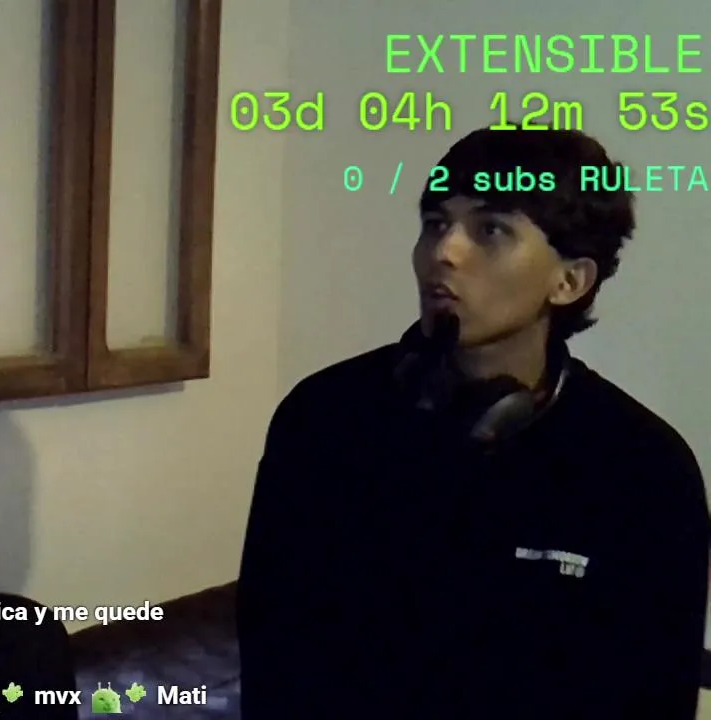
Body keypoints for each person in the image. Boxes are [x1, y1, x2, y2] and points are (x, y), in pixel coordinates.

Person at [238, 127, 709, 719]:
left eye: (490, 230)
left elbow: (653, 698)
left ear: (569, 280)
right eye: (436, 223)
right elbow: (272, 659)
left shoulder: (644, 469)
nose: (445, 251)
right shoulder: (323, 418)